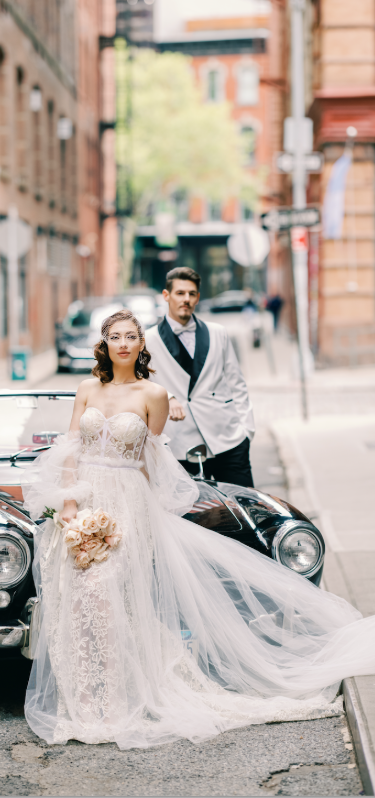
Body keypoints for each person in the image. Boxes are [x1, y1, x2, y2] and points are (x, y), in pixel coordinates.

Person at [22, 309, 375, 750]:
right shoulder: (86, 389)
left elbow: (151, 461)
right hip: (86, 497)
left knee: (115, 595)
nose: (125, 343)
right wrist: (70, 504)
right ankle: (87, 700)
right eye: (116, 336)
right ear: (105, 344)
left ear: (140, 344)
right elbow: (71, 446)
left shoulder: (153, 393)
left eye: (132, 336)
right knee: (83, 600)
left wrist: (152, 517)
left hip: (128, 502)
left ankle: (116, 704)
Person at [145, 267, 255, 487]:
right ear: (166, 296)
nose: (186, 299)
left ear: (197, 298)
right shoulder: (148, 339)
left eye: (191, 294)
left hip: (228, 440)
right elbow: (138, 384)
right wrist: (167, 396)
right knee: (193, 517)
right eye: (180, 293)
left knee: (245, 509)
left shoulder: (218, 332)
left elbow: (237, 383)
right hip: (178, 444)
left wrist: (246, 431)